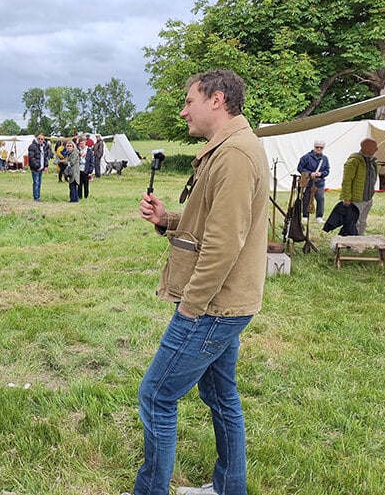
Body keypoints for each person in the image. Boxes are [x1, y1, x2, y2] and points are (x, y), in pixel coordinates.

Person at [132, 70, 268, 495]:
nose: (182, 110)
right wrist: (167, 220)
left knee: (156, 396)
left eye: (189, 100)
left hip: (212, 305)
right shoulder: (229, 150)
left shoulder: (235, 156)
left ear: (217, 100)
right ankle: (230, 488)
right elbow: (209, 226)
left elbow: (224, 245)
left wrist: (191, 306)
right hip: (225, 302)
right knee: (221, 396)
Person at [340, 137, 378, 236]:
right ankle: (352, 241)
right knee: (354, 222)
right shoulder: (354, 161)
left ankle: (360, 240)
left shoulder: (372, 162)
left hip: (368, 198)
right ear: (366, 148)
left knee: (363, 221)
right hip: (357, 199)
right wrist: (346, 198)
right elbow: (347, 181)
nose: (377, 149)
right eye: (374, 147)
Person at [297, 140, 330, 223]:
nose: (319, 149)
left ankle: (319, 217)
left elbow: (327, 170)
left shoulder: (325, 158)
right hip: (308, 181)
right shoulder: (306, 157)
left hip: (319, 182)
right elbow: (300, 168)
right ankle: (305, 216)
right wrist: (310, 173)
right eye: (317, 147)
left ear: (323, 148)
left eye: (321, 147)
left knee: (320, 199)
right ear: (314, 147)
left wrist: (321, 174)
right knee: (306, 199)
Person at [28, 134, 52, 201]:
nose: (40, 140)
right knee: (36, 182)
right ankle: (36, 197)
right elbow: (31, 158)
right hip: (35, 168)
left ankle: (38, 196)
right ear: (36, 139)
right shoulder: (32, 146)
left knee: (39, 183)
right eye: (39, 139)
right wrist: (37, 166)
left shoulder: (44, 147)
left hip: (41, 168)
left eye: (42, 139)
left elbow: (45, 157)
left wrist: (46, 165)